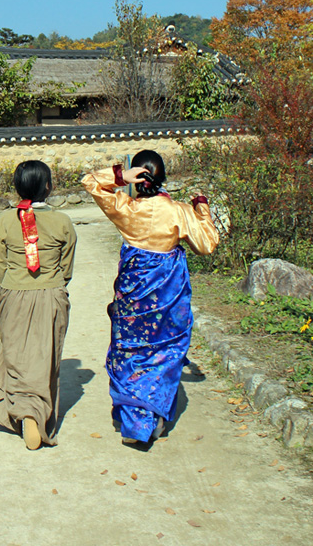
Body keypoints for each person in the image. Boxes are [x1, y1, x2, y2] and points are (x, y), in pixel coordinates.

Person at [82, 150, 218, 446]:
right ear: (162, 178)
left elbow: (89, 182)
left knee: (130, 349)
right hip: (166, 293)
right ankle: (152, 415)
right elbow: (207, 244)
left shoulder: (126, 208)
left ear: (137, 178)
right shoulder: (179, 211)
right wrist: (202, 209)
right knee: (164, 349)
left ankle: (132, 417)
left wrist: (119, 176)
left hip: (133, 293)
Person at [0, 160, 78, 450]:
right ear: (49, 187)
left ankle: (22, 410)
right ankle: (36, 413)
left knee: (15, 354)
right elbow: (67, 268)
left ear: (17, 187)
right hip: (51, 293)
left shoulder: (3, 220)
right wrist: (54, 286)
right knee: (46, 356)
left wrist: (5, 297)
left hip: (14, 294)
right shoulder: (63, 221)